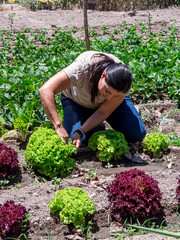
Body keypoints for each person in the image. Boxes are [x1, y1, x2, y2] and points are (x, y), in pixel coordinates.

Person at [39, 51, 146, 149]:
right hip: (76, 101)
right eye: (107, 91)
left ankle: (94, 124)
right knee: (79, 141)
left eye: (114, 95)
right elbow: (45, 90)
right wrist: (58, 127)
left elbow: (103, 111)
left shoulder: (123, 83)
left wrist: (81, 131)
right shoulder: (83, 68)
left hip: (104, 107)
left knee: (137, 134)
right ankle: (95, 126)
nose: (108, 98)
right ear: (103, 75)